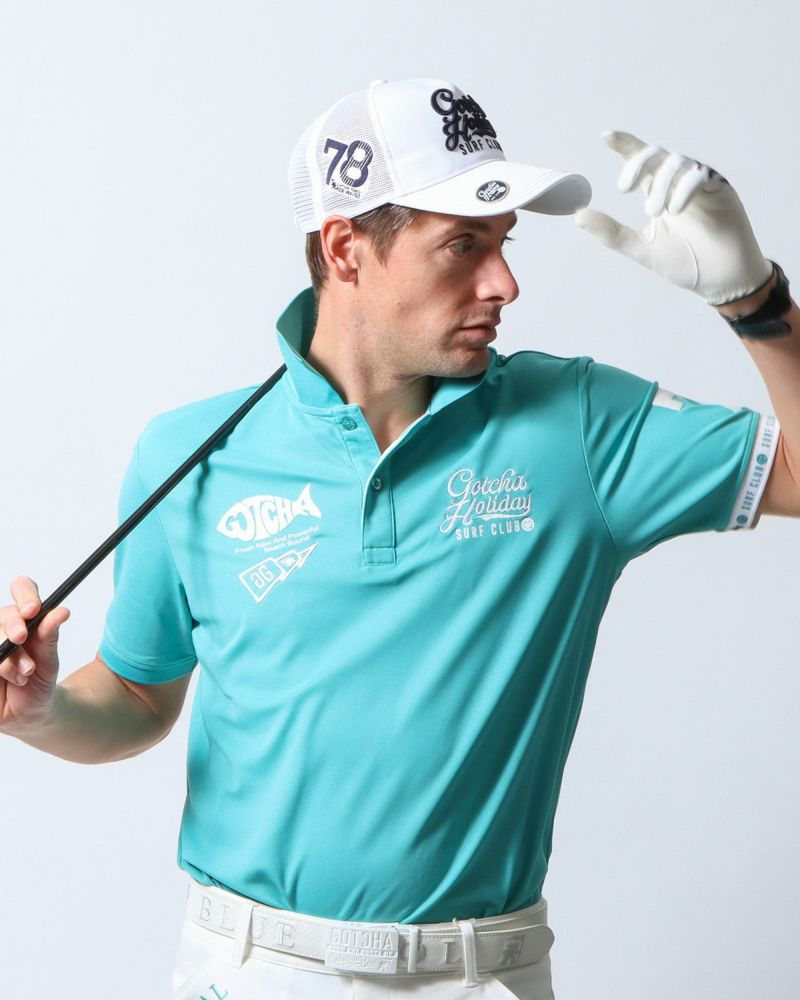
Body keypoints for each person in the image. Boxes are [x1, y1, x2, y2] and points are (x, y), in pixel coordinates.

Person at [1, 77, 798, 1000]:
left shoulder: (577, 424)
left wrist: (757, 303)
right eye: (463, 245)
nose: (504, 284)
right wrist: (40, 712)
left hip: (479, 975)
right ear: (346, 249)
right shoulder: (190, 455)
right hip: (253, 973)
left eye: (503, 244)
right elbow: (139, 694)